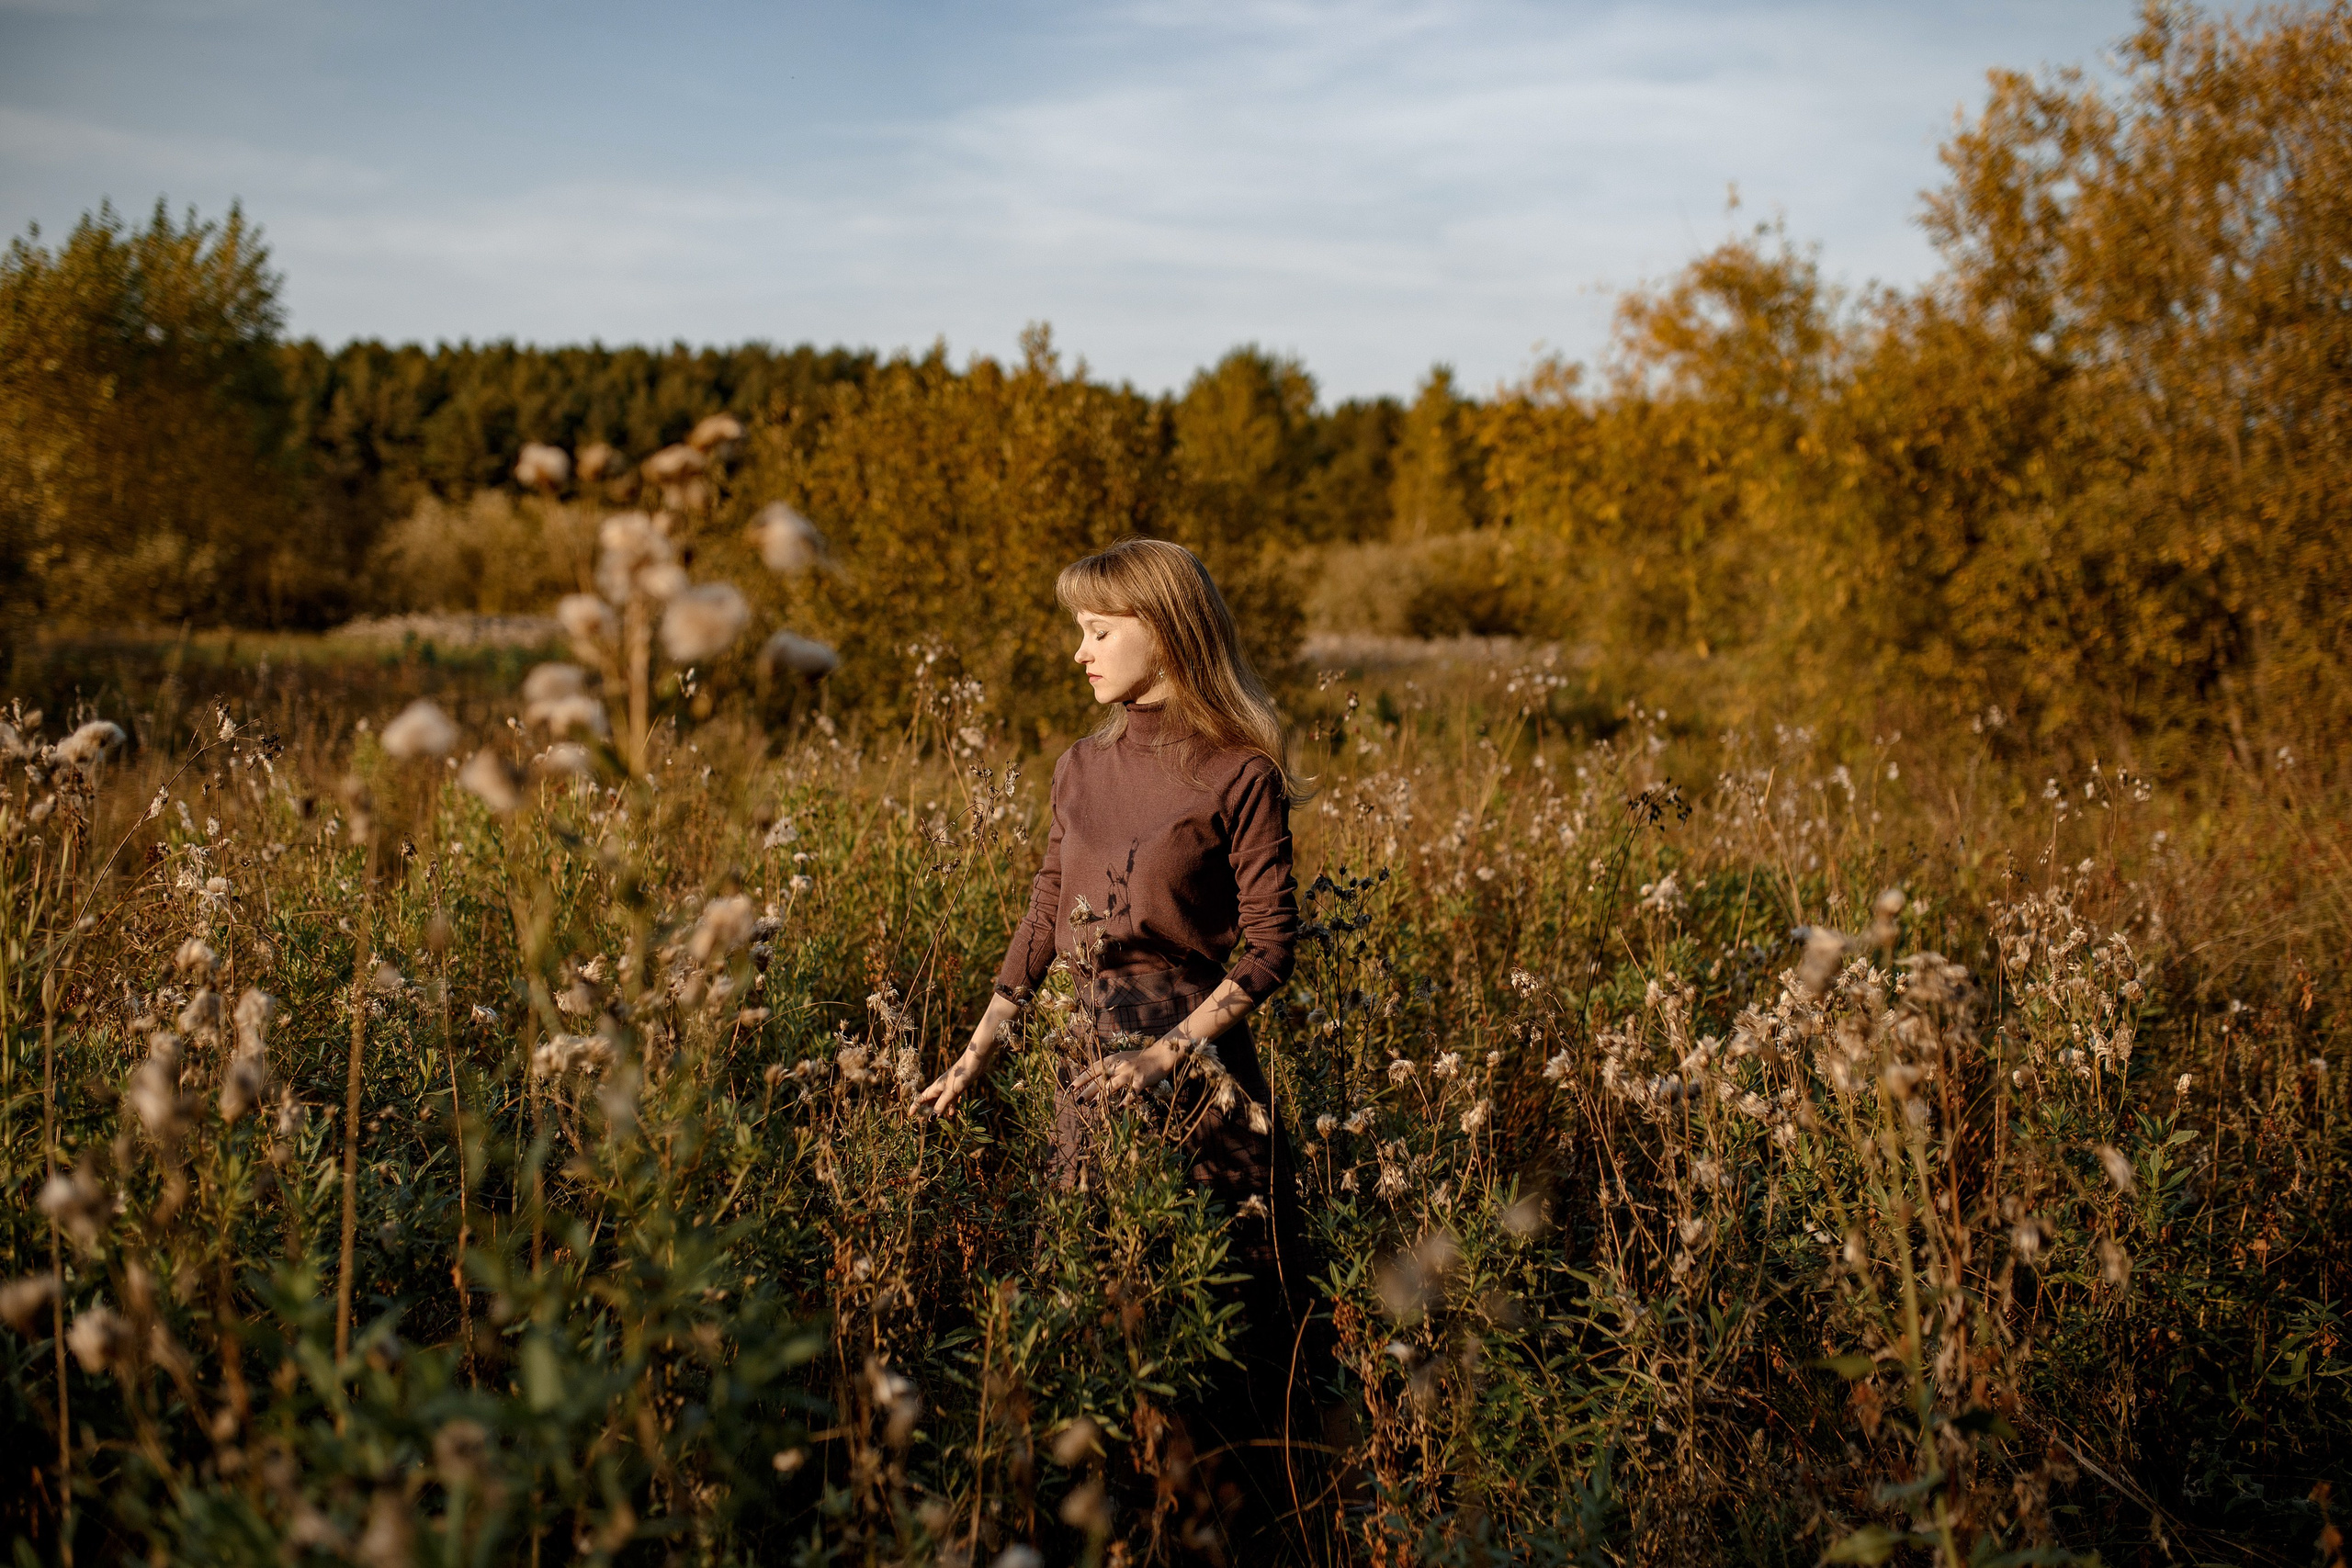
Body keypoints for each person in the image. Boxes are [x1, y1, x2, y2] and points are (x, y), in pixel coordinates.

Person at [911, 536, 1317, 1540]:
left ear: (1164, 629)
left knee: (1218, 1324)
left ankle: (1229, 1525)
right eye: (1078, 632)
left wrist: (1165, 1055)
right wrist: (974, 1054)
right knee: (1093, 1298)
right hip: (1082, 1075)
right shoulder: (1080, 768)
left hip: (1199, 1087)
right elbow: (1045, 919)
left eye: (1098, 631)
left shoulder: (1239, 771)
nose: (1079, 653)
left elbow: (1270, 948)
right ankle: (1107, 1521)